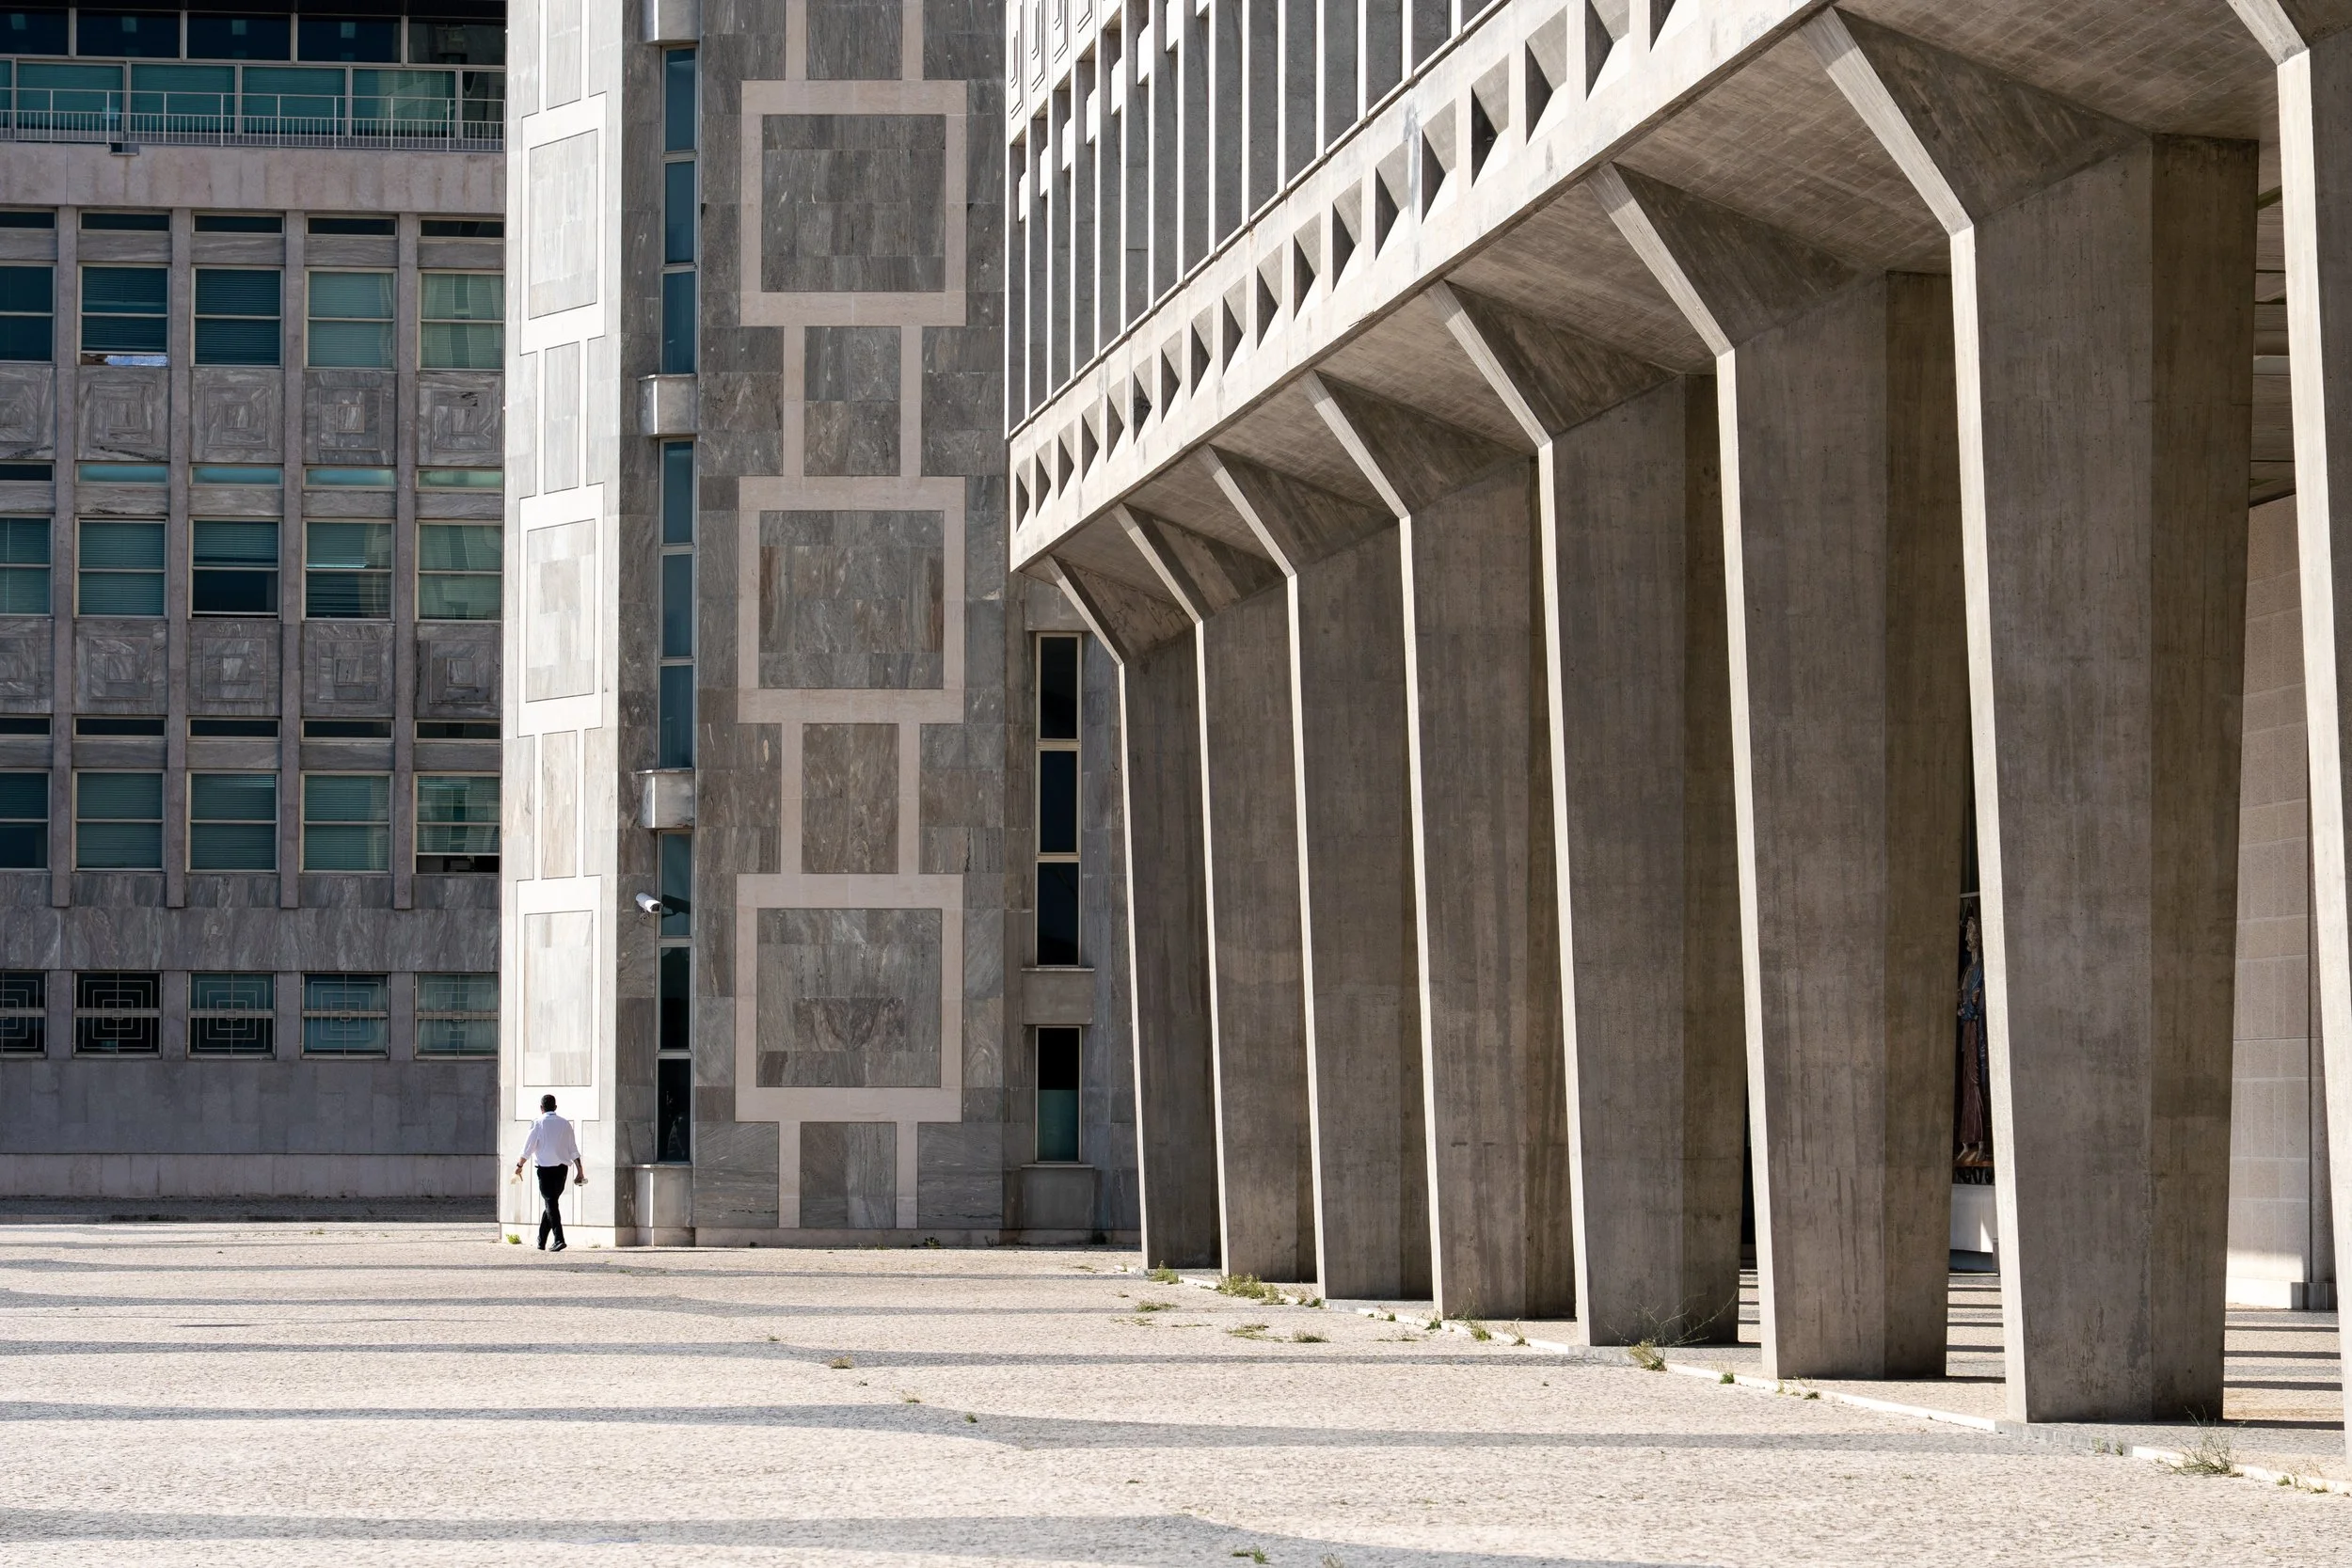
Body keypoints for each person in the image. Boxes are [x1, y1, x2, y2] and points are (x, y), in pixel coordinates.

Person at [515, 1094, 586, 1251]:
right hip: (562, 1170)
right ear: (555, 1107)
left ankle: (559, 1239)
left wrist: (519, 1165)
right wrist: (580, 1171)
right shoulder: (565, 1124)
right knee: (551, 1203)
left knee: (551, 1203)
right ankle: (541, 1240)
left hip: (545, 1170)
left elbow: (528, 1148)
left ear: (541, 1108)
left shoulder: (538, 1123)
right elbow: (573, 1149)